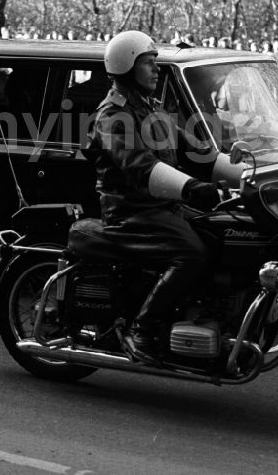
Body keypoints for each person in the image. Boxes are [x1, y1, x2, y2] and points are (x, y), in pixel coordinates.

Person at [85, 31, 221, 363]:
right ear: (127, 67)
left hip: (161, 206)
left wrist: (245, 172)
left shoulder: (150, 108)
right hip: (131, 211)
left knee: (221, 233)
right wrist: (191, 188)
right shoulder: (112, 115)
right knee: (191, 254)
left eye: (155, 63)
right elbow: (141, 168)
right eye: (148, 63)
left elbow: (198, 152)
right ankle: (140, 330)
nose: (156, 70)